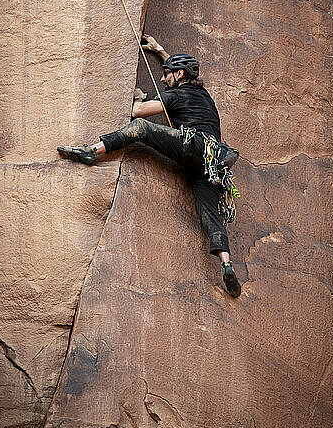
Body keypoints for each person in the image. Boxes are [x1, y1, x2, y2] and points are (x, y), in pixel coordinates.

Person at [57, 35, 241, 298]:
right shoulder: (203, 94)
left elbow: (139, 113)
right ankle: (226, 263)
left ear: (179, 75)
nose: (164, 79)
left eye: (167, 75)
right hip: (212, 165)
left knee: (142, 129)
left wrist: (137, 98)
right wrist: (159, 50)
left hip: (193, 145)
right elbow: (177, 70)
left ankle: (92, 152)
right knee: (210, 214)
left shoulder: (178, 95)